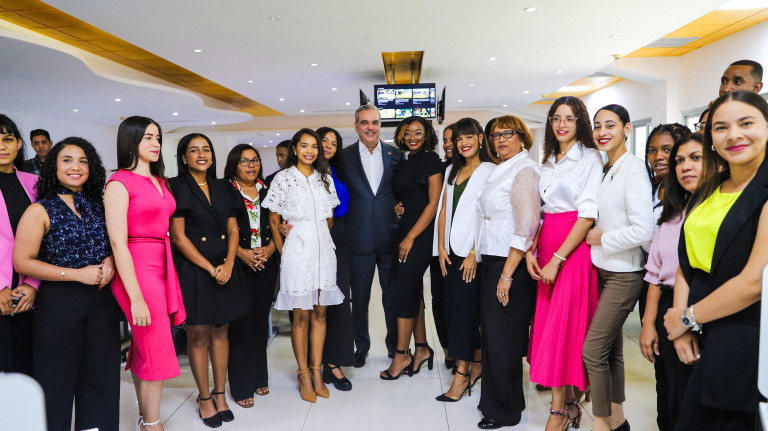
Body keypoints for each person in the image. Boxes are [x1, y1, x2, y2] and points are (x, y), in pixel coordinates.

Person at [663, 90, 768, 430]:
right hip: (696, 332)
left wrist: (688, 317)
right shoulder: (710, 189)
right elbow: (686, 263)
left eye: (746, 123)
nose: (733, 135)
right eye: (721, 127)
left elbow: (754, 282)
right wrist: (680, 325)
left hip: (742, 333)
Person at [14, 137, 119, 431]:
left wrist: (111, 261)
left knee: (101, 379)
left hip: (102, 302)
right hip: (58, 304)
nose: (76, 167)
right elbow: (22, 262)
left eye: (83, 161)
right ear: (53, 166)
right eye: (68, 160)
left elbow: (115, 244)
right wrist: (75, 274)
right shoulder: (40, 209)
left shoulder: (98, 206)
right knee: (55, 383)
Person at [525, 96, 602, 431]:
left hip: (573, 247)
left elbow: (587, 215)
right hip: (547, 242)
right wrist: (531, 248)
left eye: (569, 118)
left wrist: (557, 259)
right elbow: (542, 212)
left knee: (563, 327)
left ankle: (556, 412)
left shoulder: (590, 158)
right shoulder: (547, 161)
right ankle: (570, 404)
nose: (562, 124)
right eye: (557, 118)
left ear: (580, 122)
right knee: (550, 327)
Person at [104, 116, 186, 431]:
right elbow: (117, 242)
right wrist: (136, 297)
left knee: (145, 345)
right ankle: (153, 424)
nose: (155, 144)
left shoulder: (159, 181)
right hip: (137, 266)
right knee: (156, 344)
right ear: (131, 140)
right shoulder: (119, 182)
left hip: (162, 263)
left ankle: (144, 418)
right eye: (147, 137)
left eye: (157, 138)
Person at [583, 105, 654, 431]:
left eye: (610, 125)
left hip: (624, 273)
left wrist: (602, 238)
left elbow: (644, 231)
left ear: (627, 128)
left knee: (592, 351)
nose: (602, 132)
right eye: (597, 126)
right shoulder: (605, 167)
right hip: (602, 269)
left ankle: (600, 423)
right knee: (611, 351)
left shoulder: (634, 168)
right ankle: (618, 420)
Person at [169, 133, 245, 427]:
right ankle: (203, 397)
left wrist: (228, 263)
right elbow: (178, 237)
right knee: (198, 334)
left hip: (225, 267)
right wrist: (210, 268)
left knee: (221, 333)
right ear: (183, 157)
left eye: (206, 149)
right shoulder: (176, 186)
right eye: (194, 150)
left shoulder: (224, 186)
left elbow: (233, 229)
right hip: (194, 270)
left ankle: (220, 394)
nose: (201, 154)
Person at [263, 128, 343, 403]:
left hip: (324, 252)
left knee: (320, 313)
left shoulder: (325, 178)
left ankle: (317, 372)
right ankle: (303, 373)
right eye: (304, 145)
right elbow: (273, 219)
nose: (310, 151)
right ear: (295, 149)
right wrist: (284, 250)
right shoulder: (283, 178)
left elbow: (329, 217)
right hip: (297, 252)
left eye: (314, 146)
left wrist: (319, 237)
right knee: (301, 316)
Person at [475, 115, 540, 429]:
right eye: (495, 135)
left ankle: (505, 411)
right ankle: (499, 401)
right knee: (494, 338)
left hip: (508, 264)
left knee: (504, 341)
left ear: (522, 137)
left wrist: (507, 275)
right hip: (493, 261)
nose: (500, 139)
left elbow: (527, 227)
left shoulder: (525, 170)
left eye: (507, 133)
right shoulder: (502, 168)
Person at [640, 133, 703, 431]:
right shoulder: (672, 211)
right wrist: (648, 323)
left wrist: (684, 321)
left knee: (690, 396)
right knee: (667, 392)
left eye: (696, 158)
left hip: (698, 306)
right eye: (680, 160)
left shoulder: (714, 212)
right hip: (667, 304)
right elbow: (655, 272)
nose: (685, 166)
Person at [435, 117, 495, 402]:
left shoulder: (490, 171)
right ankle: (477, 363)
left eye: (469, 136)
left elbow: (487, 215)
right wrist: (440, 246)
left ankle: (462, 375)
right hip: (450, 252)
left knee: (464, 316)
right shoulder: (452, 170)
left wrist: (474, 252)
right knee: (452, 312)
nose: (463, 143)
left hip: (472, 256)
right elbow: (443, 209)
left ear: (480, 138)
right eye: (459, 139)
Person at [380, 116, 443, 381]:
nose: (412, 137)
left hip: (420, 234)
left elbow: (433, 203)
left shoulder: (431, 160)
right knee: (411, 290)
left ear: (427, 134)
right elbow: (406, 196)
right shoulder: (405, 161)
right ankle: (422, 348)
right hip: (405, 230)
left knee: (403, 293)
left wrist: (411, 237)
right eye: (408, 133)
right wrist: (398, 206)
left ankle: (401, 354)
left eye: (418, 132)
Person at [342, 104, 403, 366]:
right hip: (358, 239)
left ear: (380, 125)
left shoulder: (395, 154)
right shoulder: (343, 157)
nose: (370, 127)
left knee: (392, 298)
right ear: (356, 126)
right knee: (360, 300)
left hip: (390, 237)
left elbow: (402, 190)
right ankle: (361, 346)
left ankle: (395, 346)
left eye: (375, 122)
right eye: (365, 122)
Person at [225, 144, 279, 407]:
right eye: (244, 161)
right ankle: (241, 385)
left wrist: (270, 249)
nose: (251, 165)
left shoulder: (268, 191)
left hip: (267, 262)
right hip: (238, 264)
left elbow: (279, 224)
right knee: (240, 324)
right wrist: (242, 253)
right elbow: (221, 230)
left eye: (255, 160)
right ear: (234, 165)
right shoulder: (226, 191)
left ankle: (259, 377)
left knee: (259, 322)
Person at [0, 114, 39, 376]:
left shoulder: (34, 184)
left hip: (28, 296)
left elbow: (47, 239)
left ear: (18, 143)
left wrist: (33, 284)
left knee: (27, 373)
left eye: (7, 139)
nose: (2, 147)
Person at [317, 126, 355, 390]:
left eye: (334, 142)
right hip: (317, 238)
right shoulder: (307, 173)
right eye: (324, 141)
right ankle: (316, 363)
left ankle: (333, 362)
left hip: (340, 237)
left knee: (339, 301)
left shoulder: (337, 171)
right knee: (317, 304)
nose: (329, 146)